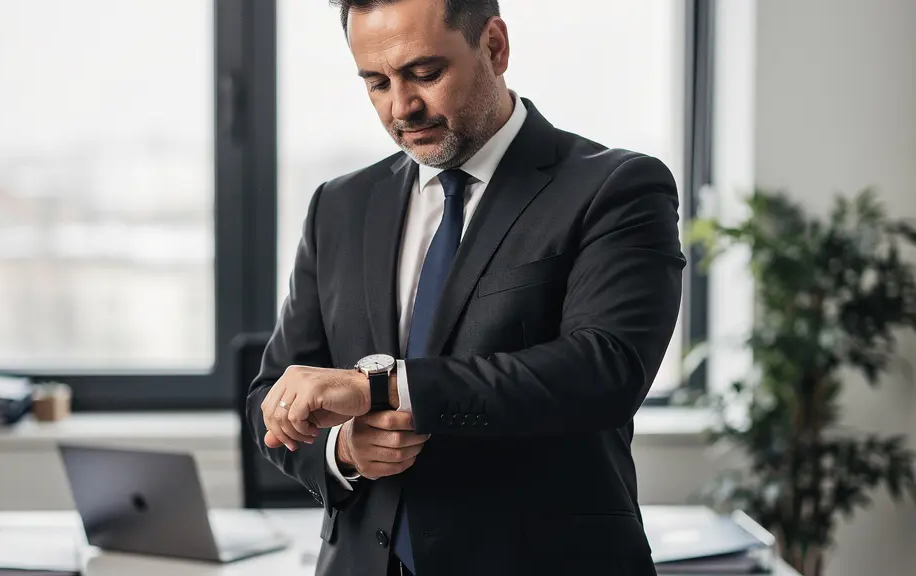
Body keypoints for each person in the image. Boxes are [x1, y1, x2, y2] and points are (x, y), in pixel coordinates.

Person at [245, 0, 685, 574]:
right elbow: (274, 397)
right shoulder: (339, 205)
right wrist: (344, 451)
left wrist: (380, 389)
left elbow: (605, 369)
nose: (402, 107)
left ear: (495, 47)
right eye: (376, 83)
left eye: (425, 74)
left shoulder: (616, 187)